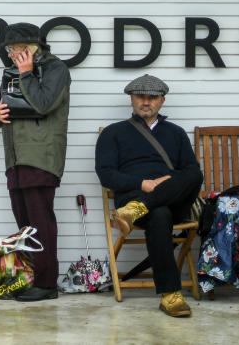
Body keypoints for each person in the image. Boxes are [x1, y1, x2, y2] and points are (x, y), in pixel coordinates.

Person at [95, 74, 203, 318]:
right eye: (140, 97)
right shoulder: (113, 133)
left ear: (161, 101)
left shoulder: (175, 133)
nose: (146, 102)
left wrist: (167, 181)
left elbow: (190, 172)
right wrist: (142, 184)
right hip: (134, 197)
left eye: (152, 97)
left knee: (195, 175)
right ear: (132, 99)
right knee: (159, 214)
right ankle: (170, 295)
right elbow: (106, 175)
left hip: (171, 200)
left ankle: (137, 208)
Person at [0, 22, 71, 302]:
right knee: (24, 223)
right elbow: (2, 105)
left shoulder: (56, 69)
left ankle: (47, 284)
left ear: (31, 48)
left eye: (16, 49)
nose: (11, 54)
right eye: (9, 50)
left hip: (41, 156)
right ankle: (26, 280)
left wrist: (26, 73)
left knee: (40, 221)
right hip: (15, 156)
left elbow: (44, 103)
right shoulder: (12, 71)